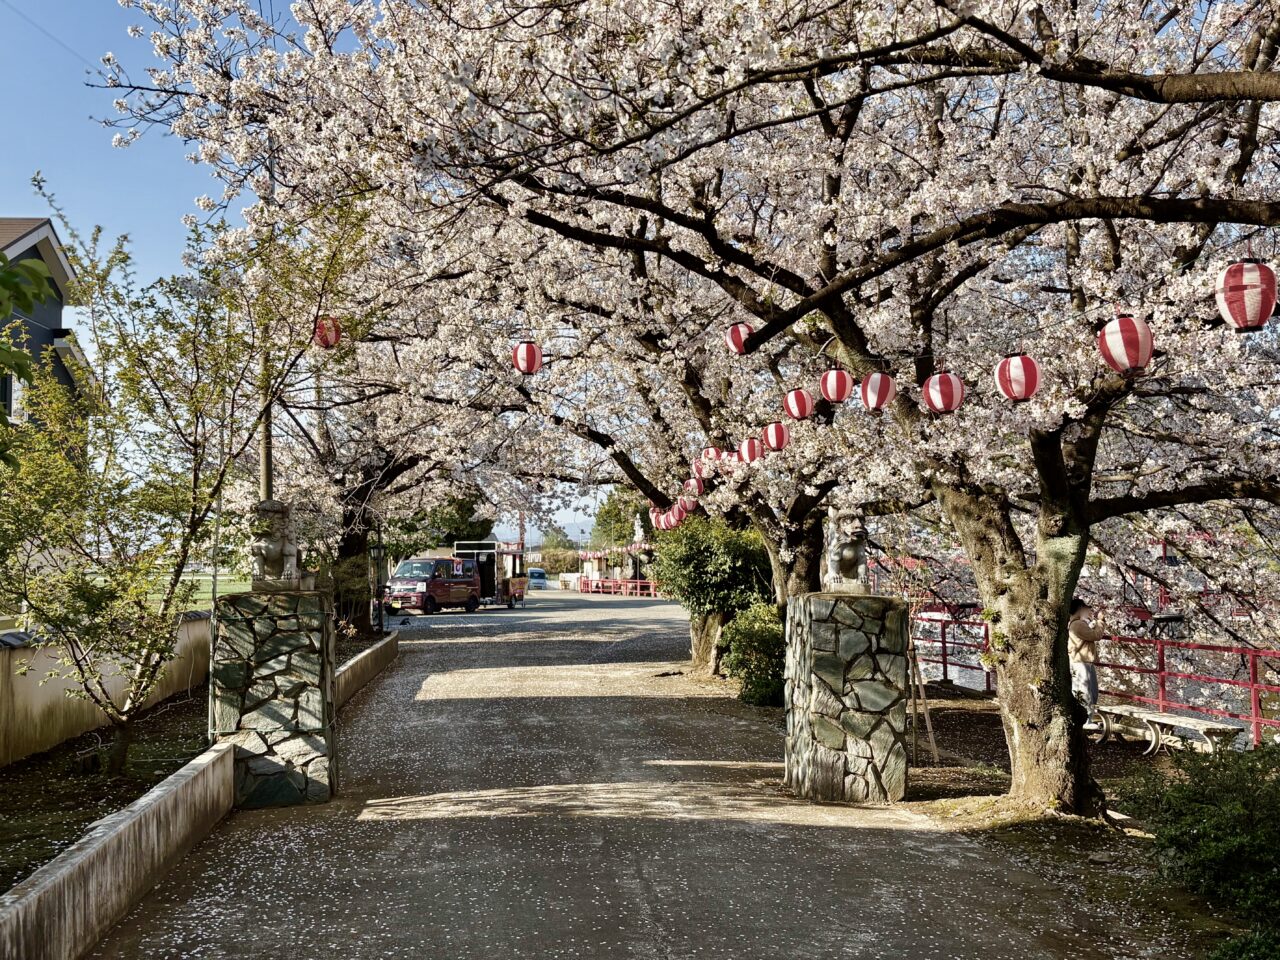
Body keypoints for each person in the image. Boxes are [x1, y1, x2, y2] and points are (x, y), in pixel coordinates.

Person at [1068, 598, 1104, 723]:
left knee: (1090, 691)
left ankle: (1088, 719)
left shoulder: (1076, 623)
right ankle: (1086, 721)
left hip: (1082, 661)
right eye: (1085, 608)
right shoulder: (1077, 624)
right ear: (1079, 609)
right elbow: (1095, 635)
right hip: (1081, 662)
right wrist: (1100, 622)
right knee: (1085, 692)